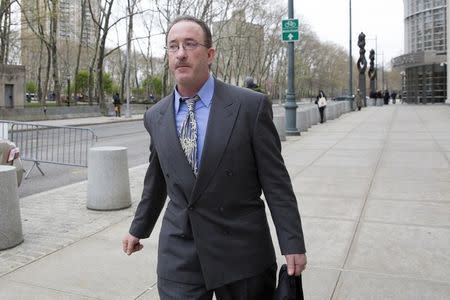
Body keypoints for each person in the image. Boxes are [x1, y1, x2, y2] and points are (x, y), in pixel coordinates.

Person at [122, 15, 306, 300]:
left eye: (190, 44)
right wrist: (138, 229)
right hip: (180, 252)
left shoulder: (250, 107)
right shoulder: (155, 116)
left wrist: (291, 241)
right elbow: (157, 179)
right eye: (173, 46)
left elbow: (276, 182)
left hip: (241, 250)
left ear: (210, 55)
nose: (180, 53)